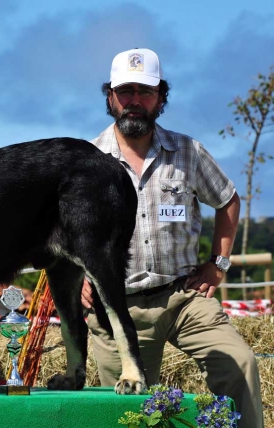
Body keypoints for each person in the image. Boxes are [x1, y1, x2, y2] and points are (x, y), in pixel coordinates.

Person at [81, 48, 263, 427]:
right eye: (125, 91)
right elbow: (65, 230)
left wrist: (219, 264)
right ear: (110, 97)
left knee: (241, 365)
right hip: (117, 306)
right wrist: (77, 276)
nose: (134, 100)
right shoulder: (86, 159)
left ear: (161, 98)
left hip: (184, 298)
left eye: (145, 91)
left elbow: (228, 200)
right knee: (125, 414)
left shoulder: (188, 152)